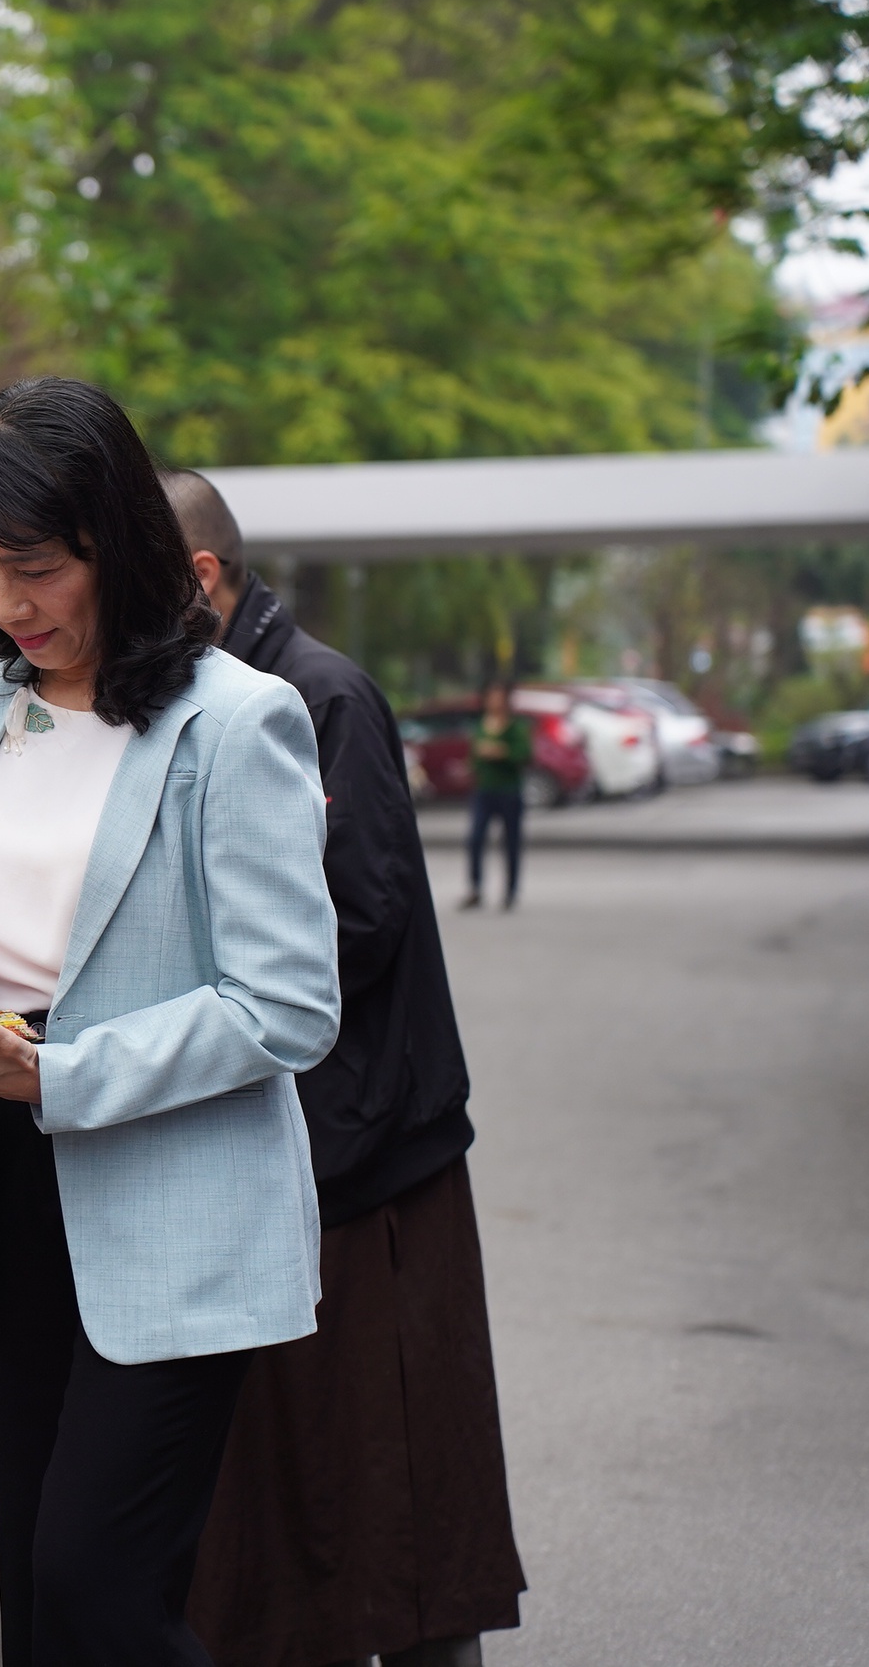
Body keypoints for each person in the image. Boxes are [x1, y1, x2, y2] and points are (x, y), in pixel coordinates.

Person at [0, 378, 340, 1667]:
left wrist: (56, 1070)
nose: (3, 605)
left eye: (34, 570)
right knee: (36, 1610)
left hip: (172, 1202)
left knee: (99, 1591)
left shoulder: (235, 721)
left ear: (120, 541)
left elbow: (287, 1006)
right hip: (4, 1193)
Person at [171, 468, 524, 1667]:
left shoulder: (315, 695)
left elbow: (360, 917)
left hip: (369, 1152)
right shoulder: (217, 688)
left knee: (399, 1487)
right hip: (287, 1150)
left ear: (200, 578)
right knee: (296, 1492)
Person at [465, 681, 529, 909]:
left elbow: (524, 754)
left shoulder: (515, 727)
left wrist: (501, 751)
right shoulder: (481, 725)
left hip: (509, 790)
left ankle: (510, 891)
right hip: (484, 790)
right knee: (475, 839)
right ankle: (475, 887)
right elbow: (474, 757)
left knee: (511, 842)